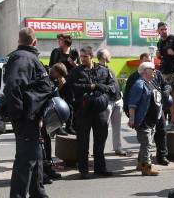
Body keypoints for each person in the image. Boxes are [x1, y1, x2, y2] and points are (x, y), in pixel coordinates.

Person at [5, 27, 58, 198]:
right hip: (27, 118)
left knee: (36, 157)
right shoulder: (23, 58)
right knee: (24, 163)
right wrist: (22, 116)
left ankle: (38, 196)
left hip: (33, 117)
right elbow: (14, 88)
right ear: (34, 42)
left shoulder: (26, 57)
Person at [68, 46, 116, 179]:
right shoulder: (76, 71)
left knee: (100, 140)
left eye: (85, 56)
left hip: (100, 110)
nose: (82, 59)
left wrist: (101, 87)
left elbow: (113, 87)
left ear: (91, 56)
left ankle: (100, 168)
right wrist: (89, 87)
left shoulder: (103, 71)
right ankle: (83, 170)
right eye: (81, 56)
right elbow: (72, 87)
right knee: (82, 142)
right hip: (83, 111)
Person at [124, 52, 171, 165]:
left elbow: (166, 85)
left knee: (161, 132)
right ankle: (146, 164)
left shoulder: (156, 74)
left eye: (150, 61)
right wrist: (130, 115)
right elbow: (129, 97)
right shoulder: (136, 79)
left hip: (158, 111)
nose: (151, 65)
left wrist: (166, 91)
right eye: (146, 61)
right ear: (142, 65)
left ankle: (161, 156)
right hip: (144, 114)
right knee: (146, 141)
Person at [127, 61, 161, 176]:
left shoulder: (150, 83)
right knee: (147, 144)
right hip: (143, 121)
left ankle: (140, 164)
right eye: (152, 68)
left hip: (151, 121)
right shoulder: (139, 84)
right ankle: (147, 167)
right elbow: (132, 104)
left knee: (145, 144)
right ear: (145, 71)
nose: (155, 70)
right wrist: (132, 119)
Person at [97, 48, 127, 156]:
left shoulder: (108, 68)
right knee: (103, 127)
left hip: (118, 100)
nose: (110, 56)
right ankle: (100, 150)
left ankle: (118, 148)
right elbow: (100, 86)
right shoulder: (98, 70)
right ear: (104, 57)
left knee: (117, 127)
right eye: (109, 54)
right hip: (108, 102)